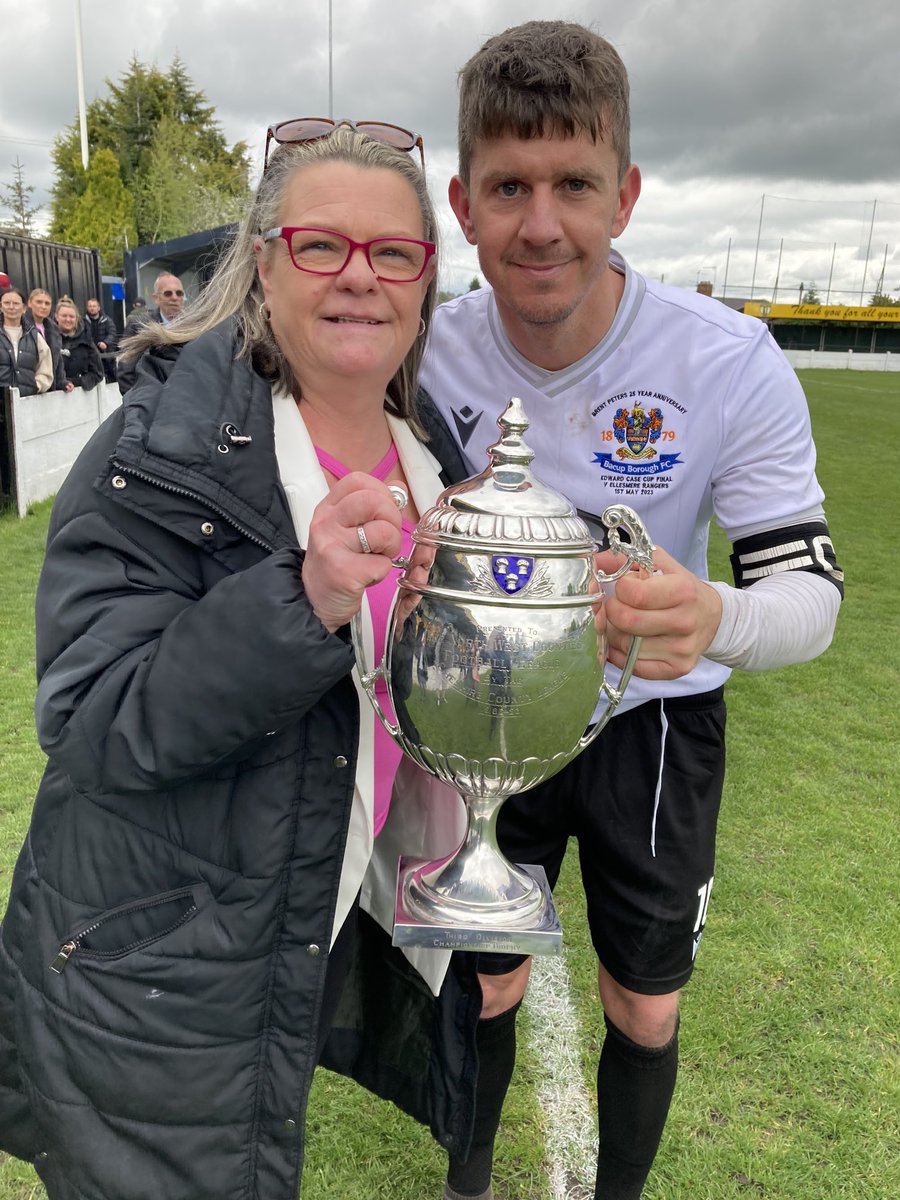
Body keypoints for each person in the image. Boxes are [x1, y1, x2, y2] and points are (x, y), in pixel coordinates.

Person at [0, 122, 479, 1200]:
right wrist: (300, 601)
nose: (360, 277)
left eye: (392, 253)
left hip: (295, 930)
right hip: (153, 978)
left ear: (425, 281)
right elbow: (90, 719)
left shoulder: (435, 456)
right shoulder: (154, 453)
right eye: (322, 246)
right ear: (262, 261)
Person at [419, 21, 844, 1200]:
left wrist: (714, 616)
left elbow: (811, 596)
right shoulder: (424, 353)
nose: (540, 223)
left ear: (628, 193)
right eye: (508, 186)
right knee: (485, 973)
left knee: (640, 1003)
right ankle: (468, 1181)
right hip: (487, 715)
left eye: (574, 184)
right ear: (461, 202)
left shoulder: (730, 362)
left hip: (654, 729)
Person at [117, 272, 185, 393]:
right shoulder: (139, 326)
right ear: (156, 298)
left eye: (179, 293)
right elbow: (126, 373)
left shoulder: (195, 326)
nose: (175, 298)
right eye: (168, 293)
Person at [0, 287, 53, 395]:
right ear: (1, 306)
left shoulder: (34, 335)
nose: (11, 307)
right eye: (6, 303)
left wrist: (35, 386)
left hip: (27, 402)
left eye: (16, 303)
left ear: (24, 308)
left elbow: (45, 368)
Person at [55, 297, 104, 391]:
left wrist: (79, 382)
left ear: (76, 318)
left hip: (78, 396)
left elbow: (98, 373)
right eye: (64, 316)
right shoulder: (48, 338)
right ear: (57, 317)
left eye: (71, 316)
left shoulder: (86, 341)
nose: (68, 319)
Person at [24, 288, 67, 392]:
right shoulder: (22, 326)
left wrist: (62, 382)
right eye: (39, 302)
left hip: (50, 388)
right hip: (29, 387)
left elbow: (58, 360)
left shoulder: (54, 329)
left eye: (47, 303)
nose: (43, 306)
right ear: (29, 303)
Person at [85, 295, 119, 382]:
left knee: (112, 377)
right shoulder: (83, 321)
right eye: (90, 306)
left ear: (98, 308)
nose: (92, 308)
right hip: (90, 355)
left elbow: (112, 333)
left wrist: (106, 343)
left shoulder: (107, 320)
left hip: (106, 355)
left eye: (94, 306)